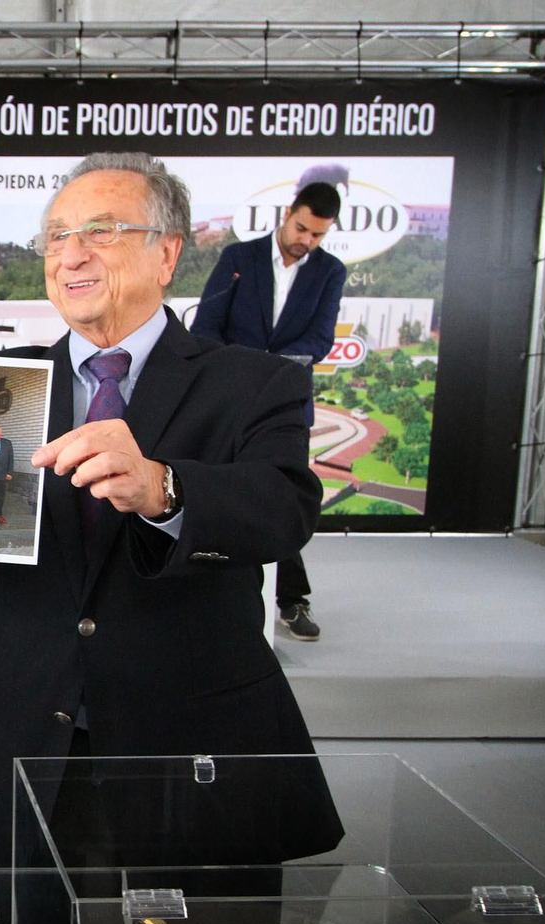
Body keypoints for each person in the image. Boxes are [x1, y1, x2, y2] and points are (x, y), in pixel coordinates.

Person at [0, 152, 343, 924]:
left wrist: (166, 487)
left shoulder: (254, 382)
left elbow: (281, 508)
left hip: (197, 769)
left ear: (168, 254)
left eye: (101, 231)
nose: (72, 253)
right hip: (32, 755)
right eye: (57, 235)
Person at [189, 181, 347, 642]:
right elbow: (206, 328)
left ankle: (291, 600)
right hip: (226, 396)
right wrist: (245, 372)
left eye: (318, 235)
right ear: (287, 214)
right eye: (301, 228)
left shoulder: (330, 272)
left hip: (286, 402)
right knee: (219, 494)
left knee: (280, 497)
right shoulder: (239, 260)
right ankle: (207, 598)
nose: (306, 241)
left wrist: (268, 374)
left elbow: (321, 340)